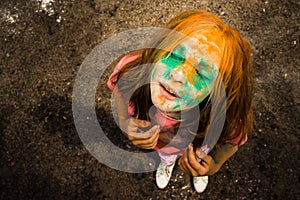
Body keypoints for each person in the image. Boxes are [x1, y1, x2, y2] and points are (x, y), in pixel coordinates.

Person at [107, 10, 253, 193]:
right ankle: (167, 162)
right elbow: (121, 91)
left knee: (196, 158)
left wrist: (213, 165)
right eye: (174, 56)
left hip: (196, 148)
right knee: (166, 153)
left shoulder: (226, 116)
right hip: (163, 144)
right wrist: (125, 122)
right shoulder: (133, 72)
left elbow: (232, 142)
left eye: (200, 73)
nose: (177, 74)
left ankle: (198, 168)